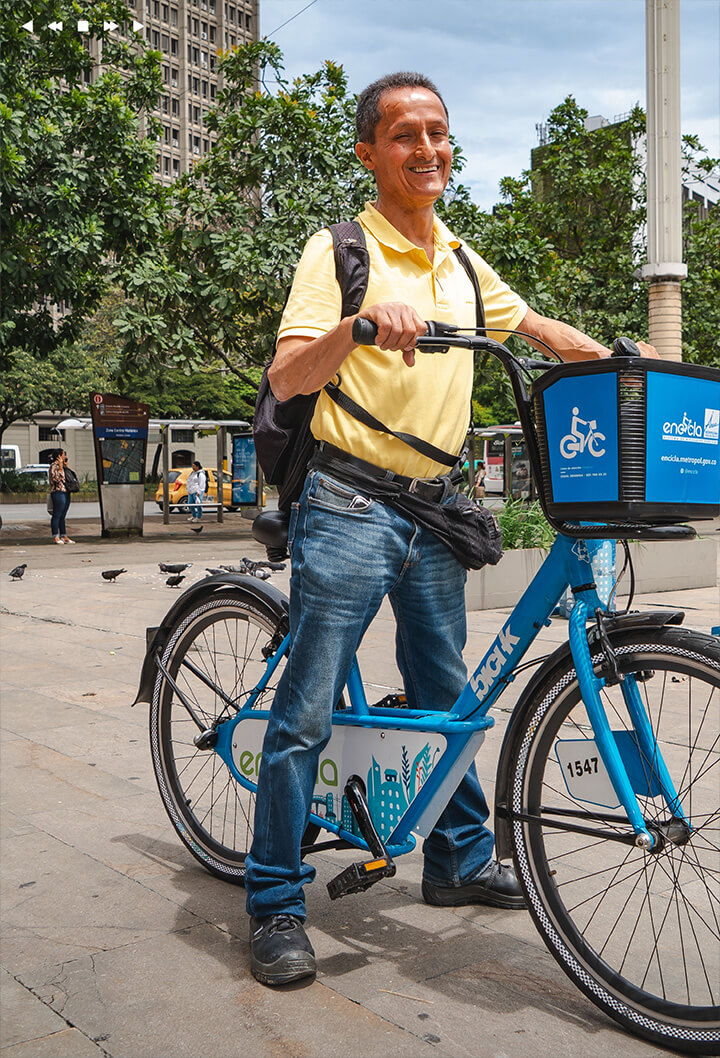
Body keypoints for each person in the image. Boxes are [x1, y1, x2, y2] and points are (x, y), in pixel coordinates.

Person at [245, 71, 658, 987]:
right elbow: (286, 375)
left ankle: (459, 859)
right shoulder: (341, 249)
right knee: (307, 708)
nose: (427, 149)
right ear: (370, 151)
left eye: (437, 132)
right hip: (350, 501)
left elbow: (541, 329)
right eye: (404, 135)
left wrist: (632, 358)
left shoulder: (464, 264)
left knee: (450, 690)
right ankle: (274, 895)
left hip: (434, 507)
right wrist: (358, 325)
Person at [48, 450, 74, 544]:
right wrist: (60, 468)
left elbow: (70, 477)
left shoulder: (62, 465)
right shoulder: (54, 466)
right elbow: (56, 479)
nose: (65, 456)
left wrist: (66, 467)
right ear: (59, 456)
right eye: (63, 454)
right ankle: (55, 535)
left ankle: (64, 535)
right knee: (57, 514)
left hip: (66, 491)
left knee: (63, 515)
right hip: (58, 492)